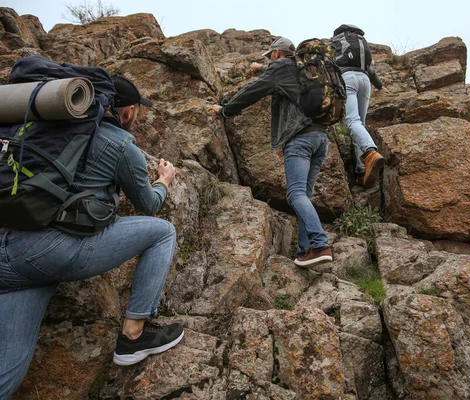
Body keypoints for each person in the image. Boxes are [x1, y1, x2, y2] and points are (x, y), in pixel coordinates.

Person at [0, 74, 183, 399]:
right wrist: (164, 180)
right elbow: (149, 205)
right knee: (163, 233)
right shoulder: (122, 146)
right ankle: (133, 335)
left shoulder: (53, 128)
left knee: (8, 369)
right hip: (54, 250)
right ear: (127, 112)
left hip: (12, 250)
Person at [210, 37, 333, 268]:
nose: (270, 59)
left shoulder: (281, 67)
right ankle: (307, 251)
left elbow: (254, 90)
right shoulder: (304, 68)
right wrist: (262, 68)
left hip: (300, 138)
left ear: (277, 53)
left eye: (270, 55)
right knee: (303, 196)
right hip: (320, 137)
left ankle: (320, 244)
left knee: (295, 195)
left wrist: (226, 110)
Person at [332, 24, 385, 189]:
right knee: (359, 124)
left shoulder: (336, 41)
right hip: (365, 80)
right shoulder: (362, 43)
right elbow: (371, 69)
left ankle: (370, 152)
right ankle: (362, 170)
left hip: (347, 78)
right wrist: (380, 86)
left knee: (351, 121)